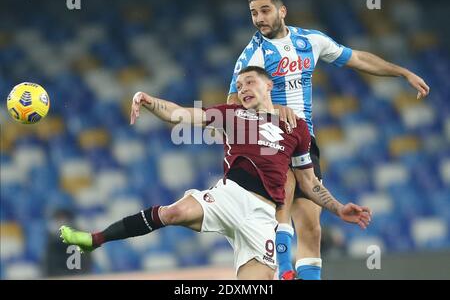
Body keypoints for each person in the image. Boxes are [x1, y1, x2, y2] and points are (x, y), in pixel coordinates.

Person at [60, 66, 371, 280]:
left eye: (250, 82)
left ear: (268, 85)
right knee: (173, 212)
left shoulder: (296, 127)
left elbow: (308, 182)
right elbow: (181, 114)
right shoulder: (230, 115)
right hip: (229, 196)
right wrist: (149, 100)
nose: (243, 88)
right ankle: (95, 238)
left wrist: (338, 207)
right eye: (239, 86)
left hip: (262, 217)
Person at [227, 0, 430, 280]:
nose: (259, 18)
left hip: (304, 140)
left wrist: (402, 72)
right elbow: (233, 102)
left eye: (265, 10)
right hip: (269, 139)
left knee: (311, 226)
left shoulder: (311, 40)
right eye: (254, 13)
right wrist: (271, 109)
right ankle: (285, 272)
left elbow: (358, 58)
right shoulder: (252, 54)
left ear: (282, 11)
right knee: (282, 199)